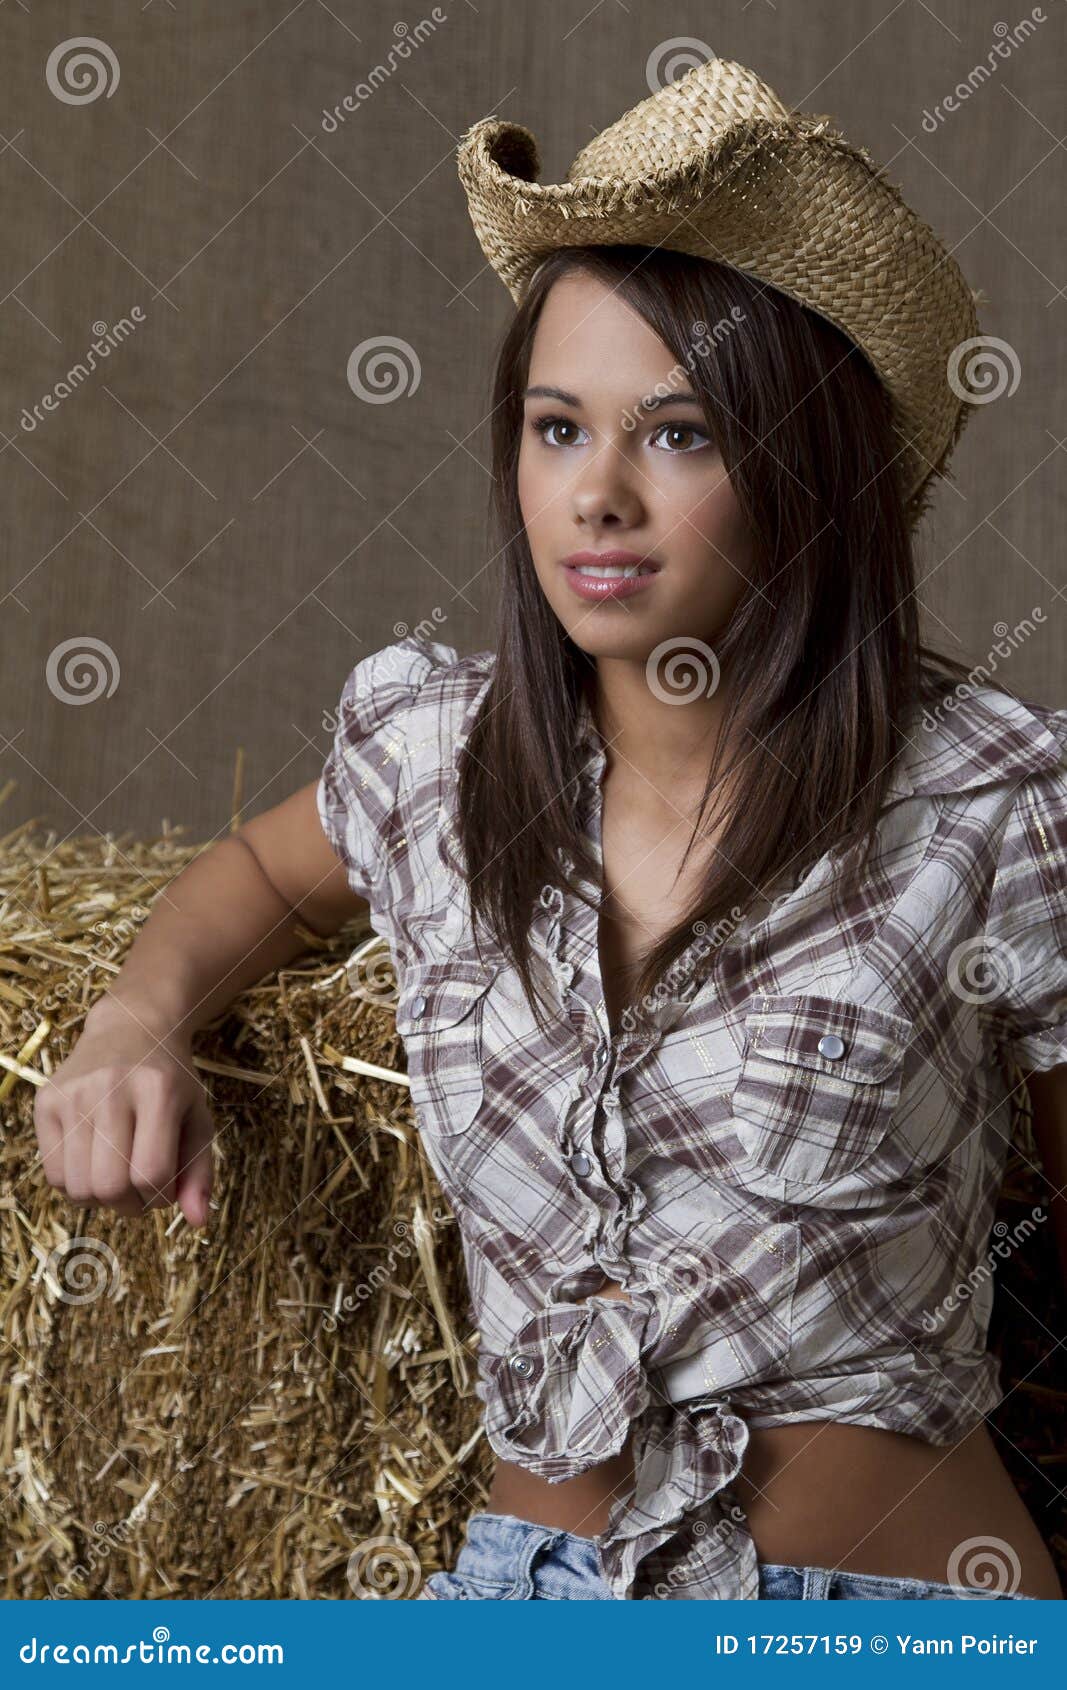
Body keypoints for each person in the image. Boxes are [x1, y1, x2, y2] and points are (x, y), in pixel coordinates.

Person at [35, 59, 1066, 1602]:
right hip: (533, 1602)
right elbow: (257, 873)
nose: (598, 495)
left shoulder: (994, 799)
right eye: (556, 427)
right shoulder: (433, 753)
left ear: (810, 468)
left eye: (681, 434)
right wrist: (138, 1016)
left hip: (896, 1619)